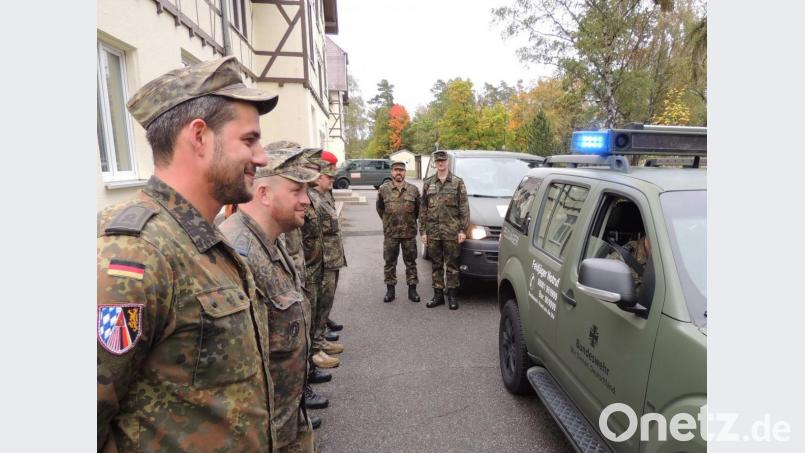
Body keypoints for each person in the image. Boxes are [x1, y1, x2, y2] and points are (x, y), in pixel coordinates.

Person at [97, 56, 278, 451]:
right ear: (199, 137)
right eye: (249, 140)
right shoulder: (134, 252)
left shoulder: (201, 237)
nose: (262, 157)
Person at [219, 146, 321, 448]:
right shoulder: (236, 253)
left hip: (285, 424)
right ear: (263, 193)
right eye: (296, 190)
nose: (306, 200)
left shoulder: (269, 242)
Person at [308, 153, 347, 359]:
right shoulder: (311, 198)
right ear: (318, 176)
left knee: (326, 301)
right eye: (329, 176)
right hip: (321, 260)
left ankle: (320, 339)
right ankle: (316, 346)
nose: (332, 179)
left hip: (332, 257)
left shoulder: (325, 195)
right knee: (320, 303)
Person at [419, 150, 469, 310]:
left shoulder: (457, 182)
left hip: (452, 232)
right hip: (433, 232)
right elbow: (423, 208)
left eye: (443, 161)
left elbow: (464, 208)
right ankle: (438, 295)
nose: (441, 163)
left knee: (452, 265)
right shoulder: (428, 183)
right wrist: (423, 231)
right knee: (436, 264)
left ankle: (452, 297)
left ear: (447, 162)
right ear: (435, 163)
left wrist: (463, 230)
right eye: (438, 161)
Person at [376, 161, 421, 303]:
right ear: (391, 172)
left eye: (401, 170)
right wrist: (389, 221)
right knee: (389, 262)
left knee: (411, 262)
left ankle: (412, 290)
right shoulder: (383, 189)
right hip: (391, 234)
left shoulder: (413, 190)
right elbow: (380, 208)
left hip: (409, 234)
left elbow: (418, 211)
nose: (398, 173)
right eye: (396, 170)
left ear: (405, 172)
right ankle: (390, 290)